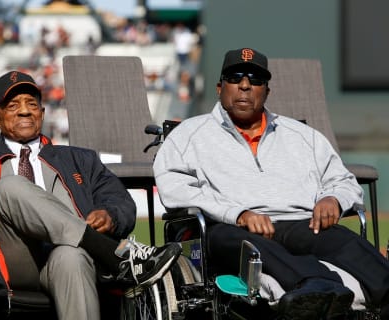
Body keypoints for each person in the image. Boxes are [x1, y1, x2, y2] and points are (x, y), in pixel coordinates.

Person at [153, 48, 389, 319]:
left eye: (255, 79)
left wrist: (333, 199)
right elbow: (174, 188)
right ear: (220, 88)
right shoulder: (188, 134)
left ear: (266, 92)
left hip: (302, 222)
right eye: (235, 77)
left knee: (343, 240)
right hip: (230, 228)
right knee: (240, 242)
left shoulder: (302, 135)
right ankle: (315, 285)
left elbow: (343, 180)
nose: (244, 85)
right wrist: (237, 214)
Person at [0, 70, 181, 320]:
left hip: (68, 259)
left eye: (32, 104)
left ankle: (100, 250)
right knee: (10, 187)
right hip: (10, 258)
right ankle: (115, 256)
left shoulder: (81, 159)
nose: (25, 111)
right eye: (13, 105)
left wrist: (110, 215)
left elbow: (121, 202)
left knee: (71, 256)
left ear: (41, 113)